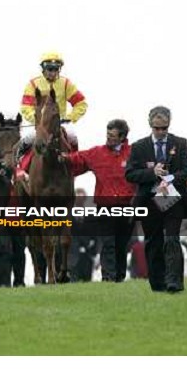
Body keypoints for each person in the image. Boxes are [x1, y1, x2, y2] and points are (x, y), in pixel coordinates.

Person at [125, 106, 187, 293]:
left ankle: (174, 282)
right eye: (157, 128)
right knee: (153, 241)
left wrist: (169, 179)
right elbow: (130, 174)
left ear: (169, 125)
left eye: (164, 128)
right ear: (150, 125)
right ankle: (157, 284)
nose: (160, 132)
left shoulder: (180, 143)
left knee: (172, 239)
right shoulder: (138, 147)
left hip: (173, 199)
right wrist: (153, 173)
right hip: (149, 201)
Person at [63, 119, 136, 282]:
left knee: (122, 245)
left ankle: (120, 277)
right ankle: (108, 278)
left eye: (112, 136)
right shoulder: (97, 153)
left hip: (127, 207)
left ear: (122, 137)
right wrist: (61, 157)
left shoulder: (134, 153)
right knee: (108, 243)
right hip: (105, 207)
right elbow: (76, 159)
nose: (108, 138)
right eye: (107, 134)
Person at [17, 52, 88, 162]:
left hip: (59, 123)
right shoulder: (33, 84)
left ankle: (73, 164)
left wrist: (70, 117)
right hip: (40, 125)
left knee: (73, 137)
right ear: (43, 69)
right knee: (25, 140)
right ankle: (21, 168)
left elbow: (81, 103)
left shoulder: (66, 83)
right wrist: (37, 119)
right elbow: (26, 107)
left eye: (56, 69)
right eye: (50, 69)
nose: (53, 72)